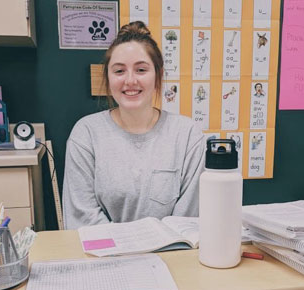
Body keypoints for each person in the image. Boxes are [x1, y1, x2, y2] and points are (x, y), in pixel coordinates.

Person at [63, 21, 205, 230]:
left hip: (172, 256)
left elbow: (188, 221)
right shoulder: (86, 134)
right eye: (119, 71)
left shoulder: (187, 135)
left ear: (157, 75)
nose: (130, 80)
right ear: (108, 78)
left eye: (141, 69)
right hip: (107, 257)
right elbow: (82, 219)